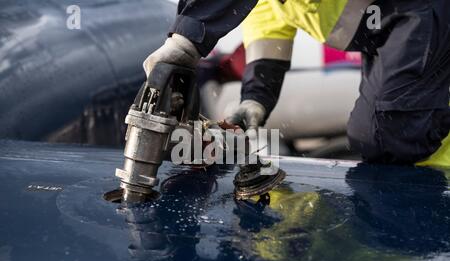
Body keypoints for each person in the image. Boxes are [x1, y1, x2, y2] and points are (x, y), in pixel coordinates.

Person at [143, 0, 450, 166]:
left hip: (421, 11)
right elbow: (268, 28)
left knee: (388, 134)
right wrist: (256, 97)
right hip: (387, 28)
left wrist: (188, 38)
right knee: (378, 135)